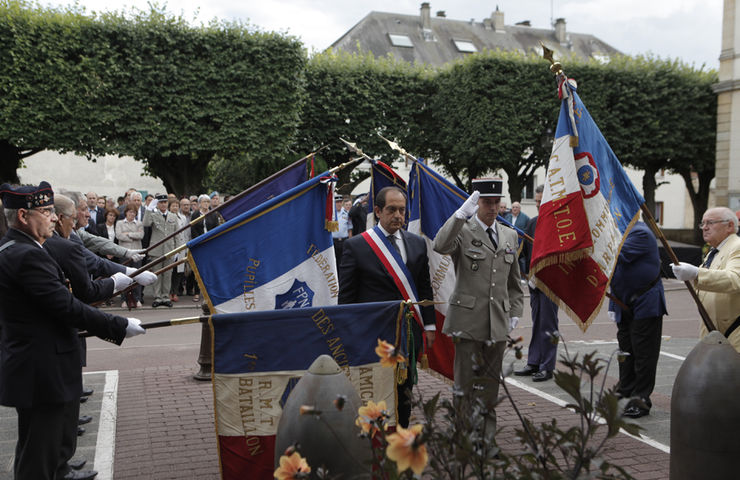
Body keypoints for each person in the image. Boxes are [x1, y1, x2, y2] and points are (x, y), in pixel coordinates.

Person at [0, 181, 145, 480]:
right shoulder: (28, 255)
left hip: (35, 365)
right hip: (41, 368)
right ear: (24, 217)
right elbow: (66, 306)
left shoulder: (17, 248)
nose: (54, 218)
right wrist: (117, 325)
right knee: (38, 457)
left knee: (39, 448)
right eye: (46, 211)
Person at [432, 178, 524, 437]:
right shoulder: (463, 230)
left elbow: (514, 283)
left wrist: (515, 313)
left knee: (490, 386)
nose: (493, 208)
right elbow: (440, 245)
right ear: (477, 202)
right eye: (487, 202)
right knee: (465, 385)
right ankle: (463, 436)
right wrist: (460, 215)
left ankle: (486, 437)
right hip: (467, 321)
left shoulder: (510, 235)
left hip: (497, 323)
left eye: (496, 202)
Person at [339, 186, 436, 428]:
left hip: (408, 334)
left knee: (405, 392)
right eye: (392, 210)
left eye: (402, 210)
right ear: (378, 211)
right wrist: (351, 334)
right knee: (373, 393)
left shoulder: (416, 244)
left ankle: (400, 436)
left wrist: (430, 324)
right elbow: (347, 298)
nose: (398, 216)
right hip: (373, 336)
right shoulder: (358, 246)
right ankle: (374, 444)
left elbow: (424, 289)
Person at [608, 221, 667, 418]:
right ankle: (626, 388)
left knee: (644, 354)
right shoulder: (618, 231)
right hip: (623, 302)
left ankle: (641, 399)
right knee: (625, 350)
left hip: (646, 301)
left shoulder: (639, 232)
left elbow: (614, 256)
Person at [672, 206, 740, 352]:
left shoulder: (737, 247)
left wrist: (696, 273)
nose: (705, 228)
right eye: (703, 223)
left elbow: (734, 279)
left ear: (730, 226)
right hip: (715, 332)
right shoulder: (713, 252)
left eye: (710, 223)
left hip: (734, 333)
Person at [514, 185, 560, 382]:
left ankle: (547, 365)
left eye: (543, 202)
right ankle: (534, 361)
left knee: (549, 325)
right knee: (537, 323)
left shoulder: (559, 224)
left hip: (551, 282)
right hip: (534, 282)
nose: (540, 205)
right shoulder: (533, 223)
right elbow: (523, 251)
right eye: (538, 202)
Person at [144, 194, 178, 308]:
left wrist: (178, 249)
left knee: (168, 275)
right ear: (157, 204)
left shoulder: (173, 216)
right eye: (161, 202)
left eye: (165, 202)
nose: (163, 204)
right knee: (157, 274)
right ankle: (158, 297)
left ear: (167, 203)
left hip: (169, 249)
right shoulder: (153, 215)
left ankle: (165, 296)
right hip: (157, 250)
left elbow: (176, 234)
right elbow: (146, 223)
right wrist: (148, 209)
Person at [117, 205, 146, 308]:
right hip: (124, 252)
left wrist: (128, 234)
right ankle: (124, 299)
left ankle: (137, 299)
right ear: (126, 213)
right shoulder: (119, 223)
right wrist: (133, 235)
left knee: (137, 275)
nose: (132, 214)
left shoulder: (139, 223)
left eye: (134, 212)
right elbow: (119, 236)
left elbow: (141, 236)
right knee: (124, 276)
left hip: (137, 253)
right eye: (130, 212)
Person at [332, 197, 352, 263]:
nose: (339, 204)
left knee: (344, 260)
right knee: (334, 260)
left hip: (344, 241)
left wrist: (350, 241)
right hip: (333, 241)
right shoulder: (331, 214)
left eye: (340, 202)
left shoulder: (346, 213)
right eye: (337, 202)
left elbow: (349, 228)